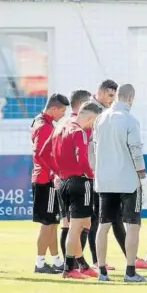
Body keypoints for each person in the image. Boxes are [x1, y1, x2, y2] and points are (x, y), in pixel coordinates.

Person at [87, 80, 147, 271]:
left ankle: (101, 270)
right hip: (127, 181)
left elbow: (93, 148)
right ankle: (130, 270)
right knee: (132, 225)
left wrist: (96, 171)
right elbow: (136, 150)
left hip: (105, 181)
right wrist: (142, 176)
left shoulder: (100, 119)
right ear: (131, 98)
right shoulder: (130, 120)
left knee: (103, 225)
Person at [52, 102, 102, 279]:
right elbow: (82, 159)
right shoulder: (78, 132)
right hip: (79, 182)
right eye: (94, 122)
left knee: (84, 222)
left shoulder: (60, 127)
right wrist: (91, 175)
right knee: (77, 227)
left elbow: (50, 155)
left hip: (62, 182)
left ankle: (81, 264)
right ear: (90, 117)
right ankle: (69, 268)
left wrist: (59, 174)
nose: (92, 126)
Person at [30, 93, 69, 274]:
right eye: (62, 110)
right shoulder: (44, 126)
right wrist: (56, 171)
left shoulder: (41, 123)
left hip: (45, 178)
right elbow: (39, 154)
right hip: (46, 180)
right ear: (53, 108)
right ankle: (39, 263)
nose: (63, 114)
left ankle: (56, 260)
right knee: (47, 223)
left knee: (52, 222)